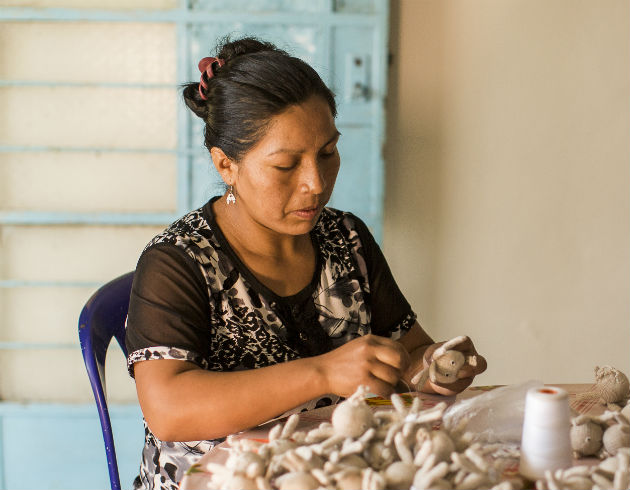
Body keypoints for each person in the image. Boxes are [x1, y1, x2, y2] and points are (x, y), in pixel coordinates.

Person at [125, 36, 487, 490]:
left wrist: (435, 366)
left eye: (327, 153)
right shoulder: (179, 262)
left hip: (332, 473)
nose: (315, 183)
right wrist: (323, 371)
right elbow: (170, 412)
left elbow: (409, 351)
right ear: (226, 165)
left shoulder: (346, 238)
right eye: (285, 166)